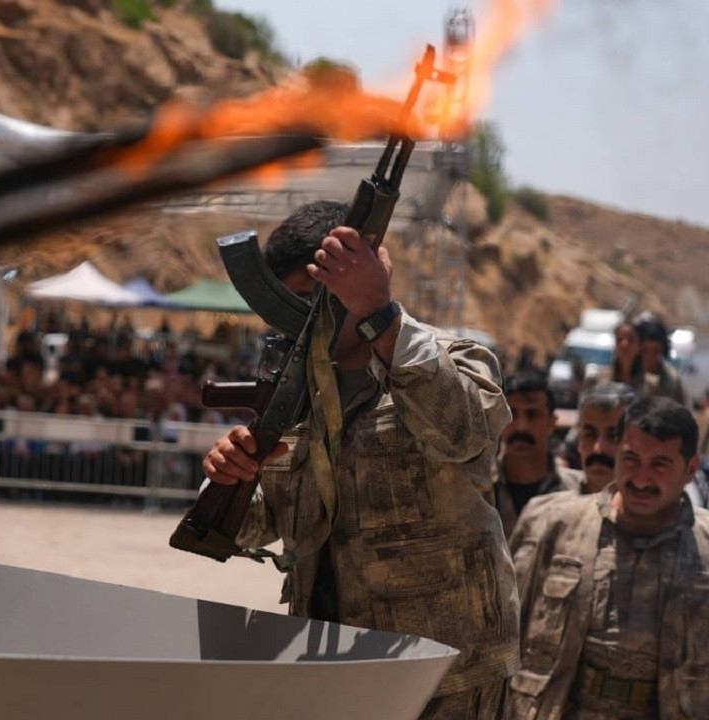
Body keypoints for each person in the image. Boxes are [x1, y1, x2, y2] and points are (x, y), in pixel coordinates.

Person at [206, 201, 517, 719]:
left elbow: (464, 438)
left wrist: (380, 315)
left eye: (317, 296)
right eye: (290, 301)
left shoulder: (448, 358)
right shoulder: (294, 390)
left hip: (443, 674)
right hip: (329, 664)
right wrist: (229, 477)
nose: (304, 317)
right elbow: (262, 522)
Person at [508, 396, 709, 719]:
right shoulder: (555, 523)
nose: (641, 479)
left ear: (690, 469)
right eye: (630, 459)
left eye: (660, 464)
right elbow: (507, 640)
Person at [490, 371, 582, 537]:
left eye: (532, 415)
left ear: (551, 423)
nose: (521, 427)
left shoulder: (578, 490)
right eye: (511, 414)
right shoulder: (478, 487)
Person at [635, 315, 688, 405]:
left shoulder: (671, 378)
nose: (650, 356)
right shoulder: (626, 372)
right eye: (645, 350)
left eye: (655, 351)